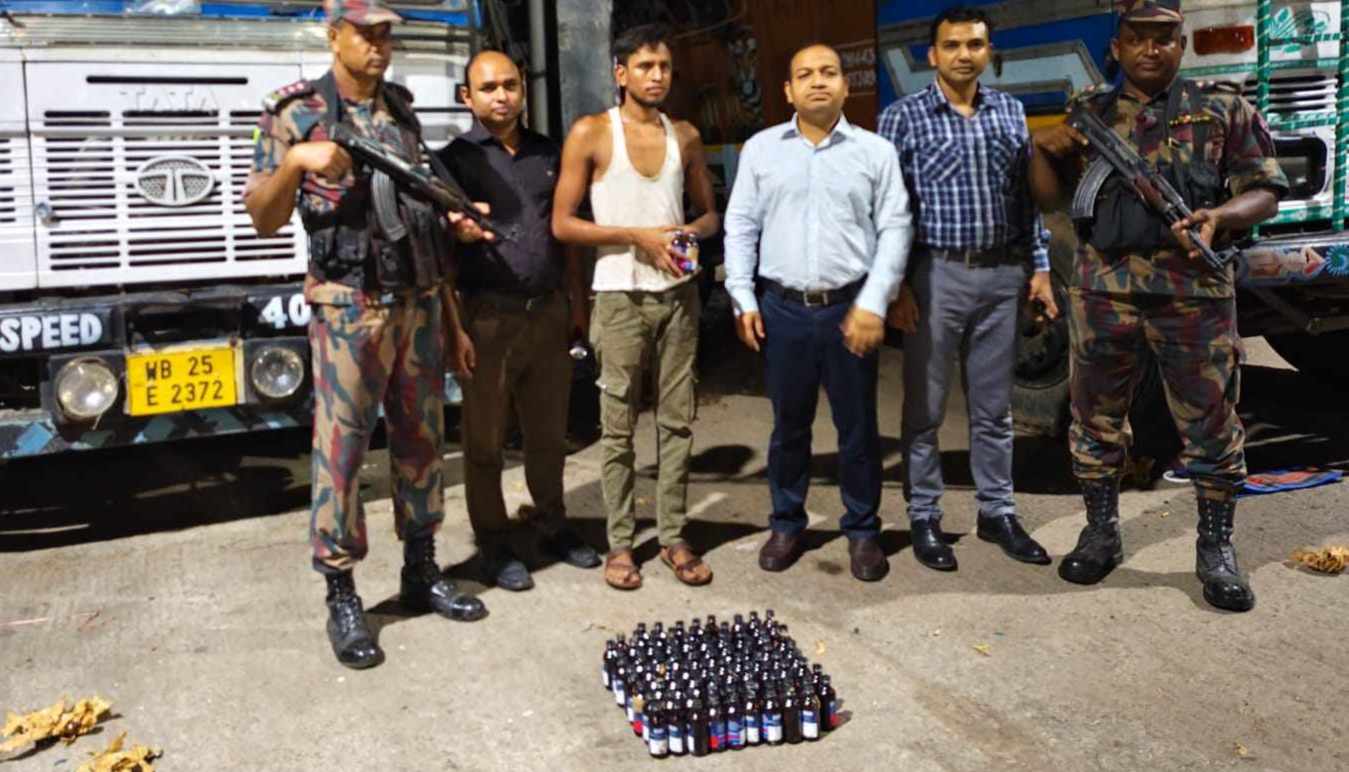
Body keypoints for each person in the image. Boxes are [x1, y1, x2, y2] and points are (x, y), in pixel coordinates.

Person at [244, 0, 488, 669]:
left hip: (418, 303)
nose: (379, 45)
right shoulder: (294, 112)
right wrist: (296, 161)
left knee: (422, 442)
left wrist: (456, 230)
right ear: (334, 36)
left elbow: (419, 212)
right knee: (343, 454)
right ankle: (342, 593)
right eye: (365, 33)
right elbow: (262, 216)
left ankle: (422, 568)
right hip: (349, 307)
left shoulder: (401, 111)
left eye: (387, 34)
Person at [1029, 0, 1287, 611]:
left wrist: (1220, 216)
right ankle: (1100, 531)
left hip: (1193, 291)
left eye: (1164, 38)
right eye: (1138, 38)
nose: (1151, 49)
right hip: (1102, 290)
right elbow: (1049, 199)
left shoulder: (1224, 109)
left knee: (1212, 423)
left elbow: (1266, 192)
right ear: (1116, 47)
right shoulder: (1088, 113)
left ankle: (1216, 548)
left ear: (1181, 47)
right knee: (1095, 419)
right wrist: (1042, 150)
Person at [724, 43, 912, 582]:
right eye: (804, 74)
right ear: (788, 91)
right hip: (782, 310)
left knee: (858, 428)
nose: (818, 81)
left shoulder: (875, 153)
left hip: (849, 310)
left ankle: (863, 530)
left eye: (829, 72)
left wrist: (874, 302)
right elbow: (741, 225)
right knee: (789, 427)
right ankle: (787, 522)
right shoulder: (761, 151)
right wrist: (742, 297)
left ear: (845, 85)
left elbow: (895, 227)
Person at [878, 6, 1056, 573]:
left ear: (988, 52)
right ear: (932, 55)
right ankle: (925, 515)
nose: (963, 55)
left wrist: (1040, 268)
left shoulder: (1010, 112)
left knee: (994, 409)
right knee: (925, 409)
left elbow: (1027, 201)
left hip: (1002, 277)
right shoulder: (902, 118)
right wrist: (895, 286)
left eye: (974, 45)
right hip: (935, 277)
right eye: (952, 45)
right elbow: (887, 208)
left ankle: (997, 512)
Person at [552, 23, 720, 590]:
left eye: (664, 66)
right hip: (619, 296)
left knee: (677, 423)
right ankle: (620, 543)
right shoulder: (592, 133)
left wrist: (686, 234)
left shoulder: (685, 136)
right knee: (617, 428)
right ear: (621, 74)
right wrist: (636, 236)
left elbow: (709, 216)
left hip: (679, 297)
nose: (657, 76)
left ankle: (673, 536)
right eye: (645, 67)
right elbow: (563, 224)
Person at [438, 50, 601, 592]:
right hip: (485, 318)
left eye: (510, 85)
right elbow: (440, 255)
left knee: (548, 434)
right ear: (468, 97)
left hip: (548, 313)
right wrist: (453, 328)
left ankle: (553, 524)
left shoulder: (550, 154)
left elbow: (566, 235)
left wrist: (577, 305)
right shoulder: (452, 162)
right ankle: (493, 540)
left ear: (523, 90)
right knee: (484, 441)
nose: (502, 96)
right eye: (488, 88)